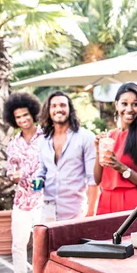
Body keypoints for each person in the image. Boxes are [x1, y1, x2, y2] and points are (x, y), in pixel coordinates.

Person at [0, 92, 44, 273]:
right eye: (18, 117)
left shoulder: (47, 137)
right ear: (13, 120)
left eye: (26, 115)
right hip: (22, 199)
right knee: (18, 242)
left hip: (44, 199)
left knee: (43, 243)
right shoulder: (13, 143)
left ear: (33, 114)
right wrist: (13, 176)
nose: (23, 120)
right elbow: (10, 169)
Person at [94, 82, 137, 214]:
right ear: (116, 104)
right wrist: (97, 150)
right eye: (124, 103)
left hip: (130, 201)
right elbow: (97, 179)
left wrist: (121, 168)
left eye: (135, 104)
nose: (129, 109)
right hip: (104, 201)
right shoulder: (109, 136)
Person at [34, 91, 98, 220]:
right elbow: (42, 171)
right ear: (48, 110)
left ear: (70, 109)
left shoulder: (86, 137)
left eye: (63, 105)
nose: (59, 109)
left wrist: (91, 213)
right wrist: (38, 181)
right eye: (54, 106)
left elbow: (93, 179)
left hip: (75, 211)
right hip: (47, 210)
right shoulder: (43, 140)